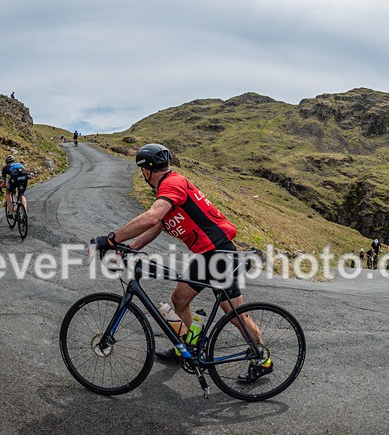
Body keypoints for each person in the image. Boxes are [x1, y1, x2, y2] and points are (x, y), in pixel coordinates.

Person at [90, 143, 270, 383]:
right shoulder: (169, 188)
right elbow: (158, 225)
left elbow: (152, 216)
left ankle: (263, 359)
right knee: (179, 298)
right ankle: (184, 346)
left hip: (219, 254)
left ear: (145, 170)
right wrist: (130, 248)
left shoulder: (172, 184)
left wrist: (111, 239)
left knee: (236, 315)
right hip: (208, 255)